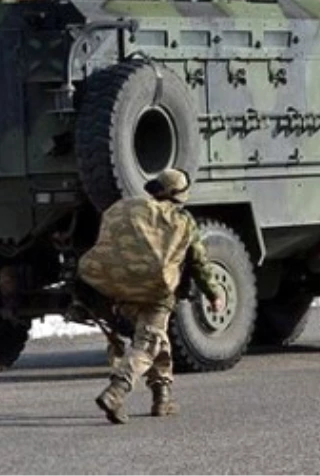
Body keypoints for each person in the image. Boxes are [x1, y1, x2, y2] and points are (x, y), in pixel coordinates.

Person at [78, 169, 224, 424]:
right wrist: (213, 293)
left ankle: (162, 397)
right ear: (179, 195)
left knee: (157, 338)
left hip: (121, 289)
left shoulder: (129, 209)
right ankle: (117, 391)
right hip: (157, 293)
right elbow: (199, 263)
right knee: (148, 343)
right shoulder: (183, 221)